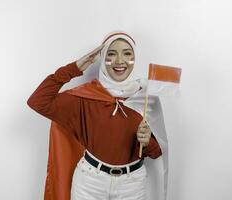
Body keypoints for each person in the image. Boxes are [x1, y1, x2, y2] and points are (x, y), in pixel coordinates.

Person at [27, 31, 167, 200]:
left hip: (132, 185)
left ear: (135, 57)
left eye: (127, 53)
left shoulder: (144, 97)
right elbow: (38, 101)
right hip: (90, 183)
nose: (120, 61)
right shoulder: (85, 97)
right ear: (103, 58)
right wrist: (75, 68)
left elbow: (157, 152)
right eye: (111, 54)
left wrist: (147, 142)